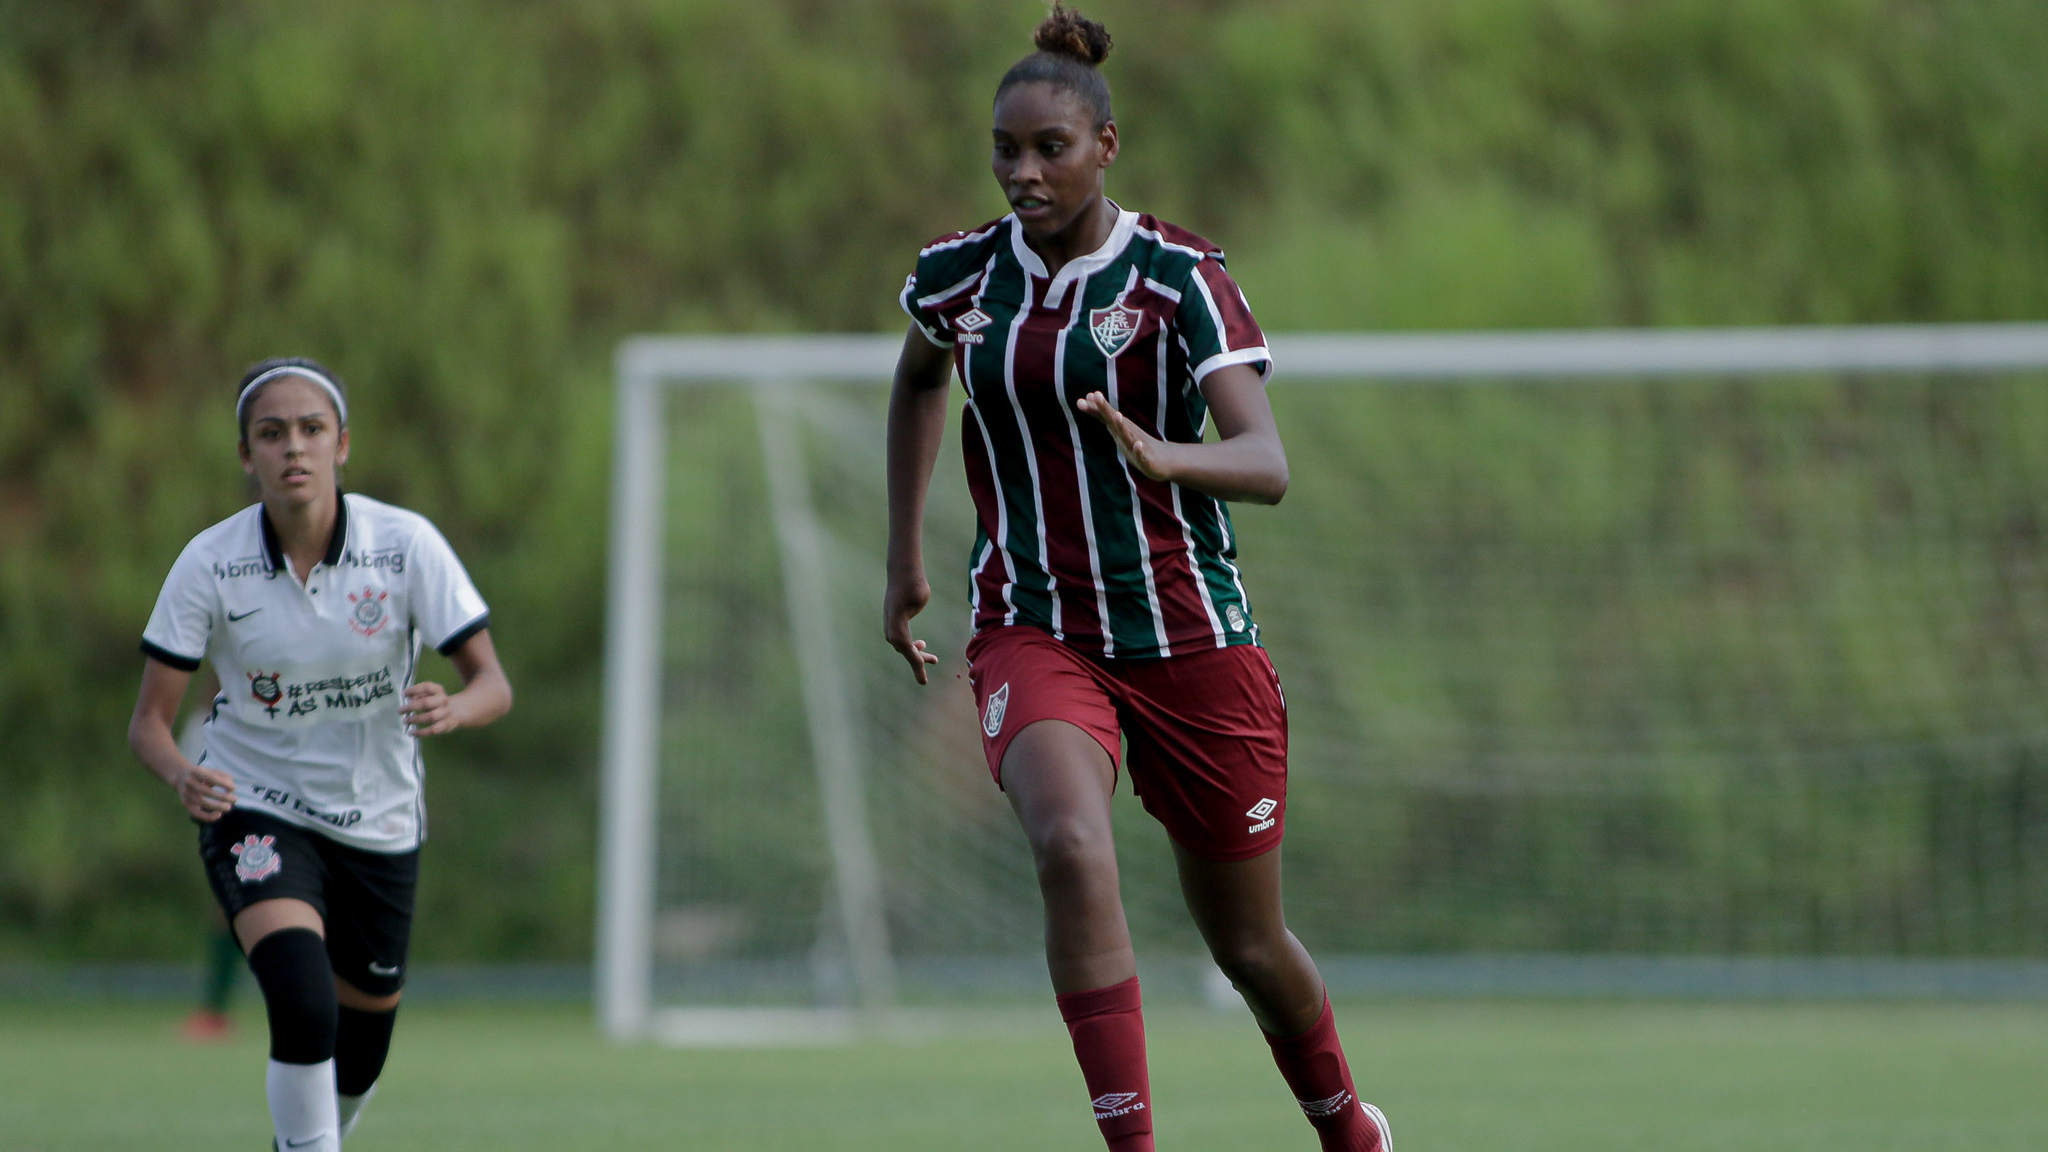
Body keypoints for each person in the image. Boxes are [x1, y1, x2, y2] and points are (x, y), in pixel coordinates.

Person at [882, 7, 1390, 1150]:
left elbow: (1265, 462)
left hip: (1191, 639)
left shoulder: (1177, 277)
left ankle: (1348, 1129)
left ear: (1103, 146)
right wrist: (904, 558)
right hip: (1032, 628)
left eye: (1047, 149)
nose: (1022, 172)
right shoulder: (958, 277)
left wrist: (1169, 456)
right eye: (1004, 150)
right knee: (1068, 844)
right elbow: (918, 380)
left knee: (1247, 946)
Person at [128, 358, 512, 1151]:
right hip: (257, 808)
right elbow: (149, 726)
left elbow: (493, 684)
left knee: (359, 1056)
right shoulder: (209, 563)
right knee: (304, 1007)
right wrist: (181, 772)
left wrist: (456, 705)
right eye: (272, 434)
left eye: (311, 430)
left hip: (380, 822)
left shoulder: (405, 545)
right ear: (247, 456)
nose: (292, 448)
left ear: (342, 446)